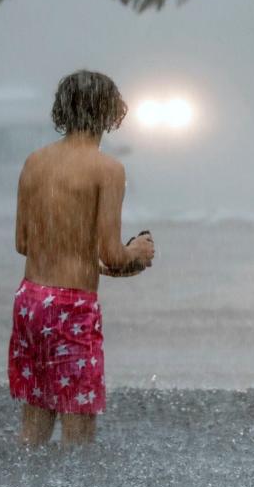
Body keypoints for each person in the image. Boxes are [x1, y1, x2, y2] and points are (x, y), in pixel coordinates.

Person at [8, 70, 155, 447]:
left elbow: (23, 241)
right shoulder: (108, 170)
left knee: (35, 423)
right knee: (79, 429)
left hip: (30, 301)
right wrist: (136, 252)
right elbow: (110, 253)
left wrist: (72, 247)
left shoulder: (34, 162)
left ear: (63, 109)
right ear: (111, 114)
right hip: (71, 305)